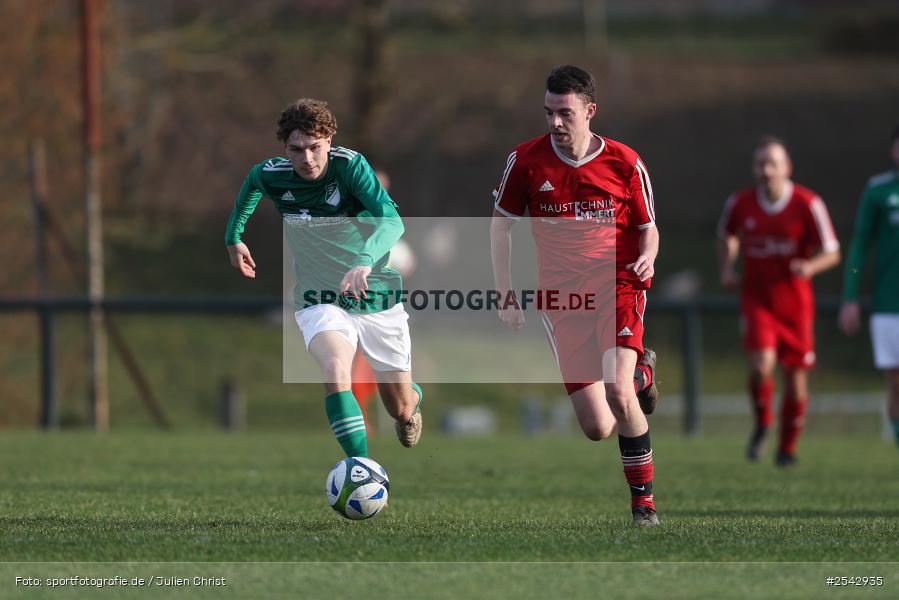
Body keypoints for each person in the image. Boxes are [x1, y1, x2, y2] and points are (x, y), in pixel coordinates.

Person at [490, 65, 661, 526]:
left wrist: (647, 257)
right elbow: (500, 226)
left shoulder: (625, 161)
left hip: (617, 286)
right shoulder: (525, 161)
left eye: (564, 113)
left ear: (590, 111)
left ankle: (643, 506)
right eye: (548, 113)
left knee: (617, 392)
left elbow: (648, 229)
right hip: (561, 300)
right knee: (598, 426)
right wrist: (504, 291)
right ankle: (644, 376)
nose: (555, 123)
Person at [225, 98, 423, 457]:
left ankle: (412, 400)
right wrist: (234, 237)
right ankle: (360, 466)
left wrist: (364, 261)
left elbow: (392, 222)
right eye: (296, 150)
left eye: (315, 148)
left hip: (375, 294)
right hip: (319, 296)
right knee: (335, 371)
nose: (307, 159)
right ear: (286, 148)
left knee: (400, 408)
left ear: (329, 140)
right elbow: (252, 186)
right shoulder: (273, 174)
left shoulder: (351, 168)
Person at [718, 136, 840, 467]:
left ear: (787, 167)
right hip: (757, 300)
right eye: (760, 164)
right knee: (761, 366)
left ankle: (787, 449)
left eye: (773, 163)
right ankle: (762, 423)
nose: (766, 170)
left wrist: (809, 266)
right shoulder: (741, 203)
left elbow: (832, 250)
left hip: (796, 305)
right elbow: (728, 234)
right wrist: (728, 266)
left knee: (796, 380)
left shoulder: (807, 203)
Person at [839, 125, 899, 448]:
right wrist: (850, 296)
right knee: (896, 382)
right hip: (890, 303)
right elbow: (860, 246)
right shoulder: (878, 191)